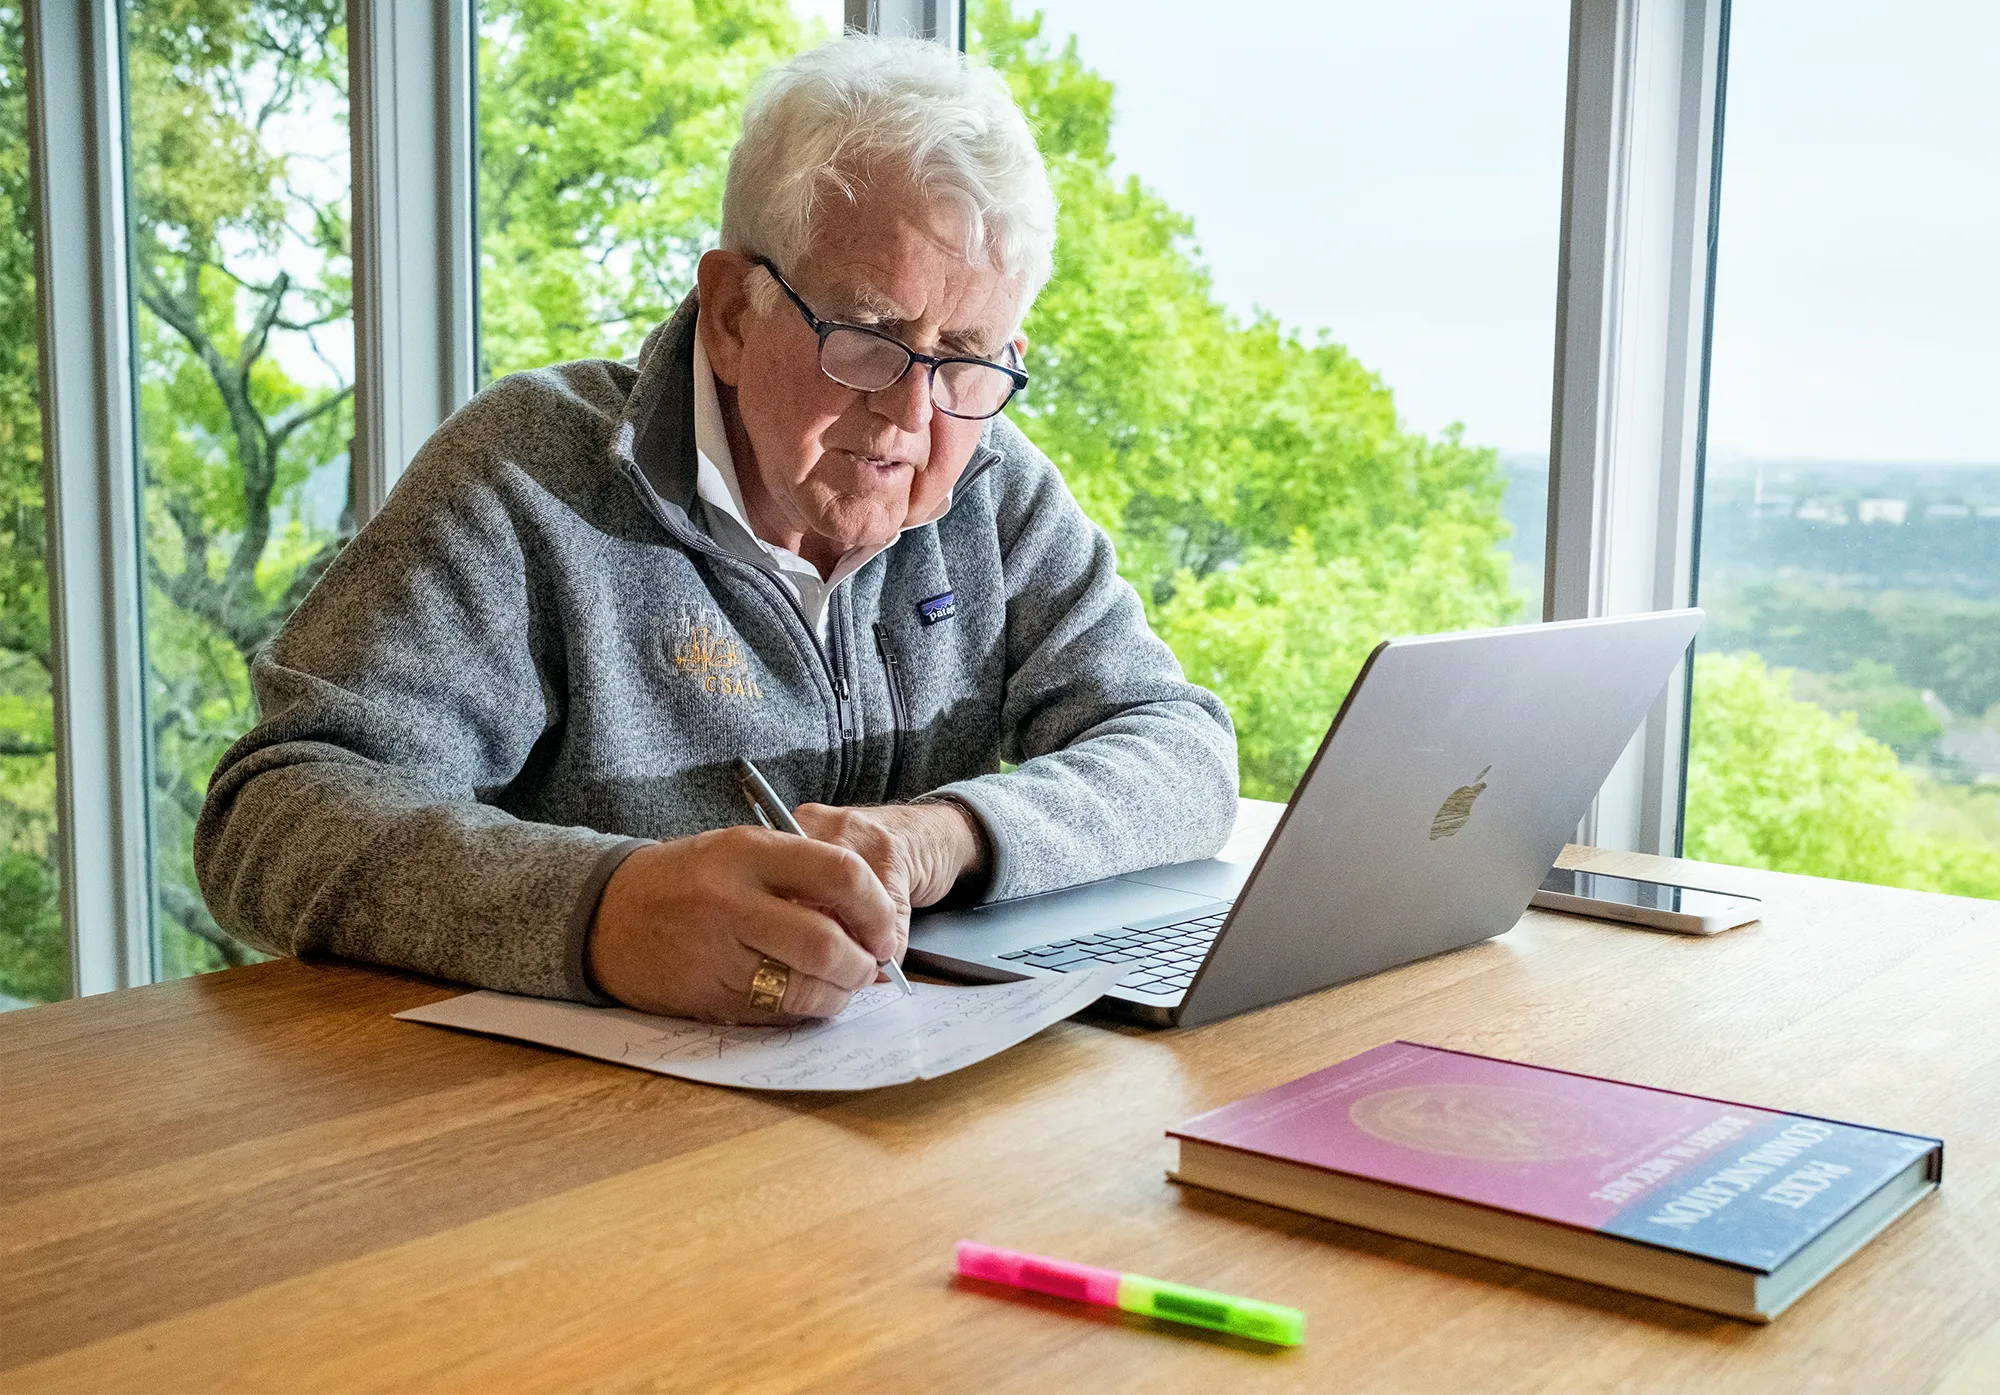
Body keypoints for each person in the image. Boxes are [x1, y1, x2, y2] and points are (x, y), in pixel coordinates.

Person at [194, 36, 1237, 1024]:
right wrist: (605, 910)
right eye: (869, 337)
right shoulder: (528, 477)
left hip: (884, 1105)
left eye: (964, 354)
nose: (912, 414)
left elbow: (1183, 754)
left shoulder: (992, 487)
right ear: (733, 310)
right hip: (565, 1143)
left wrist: (943, 837)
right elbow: (272, 817)